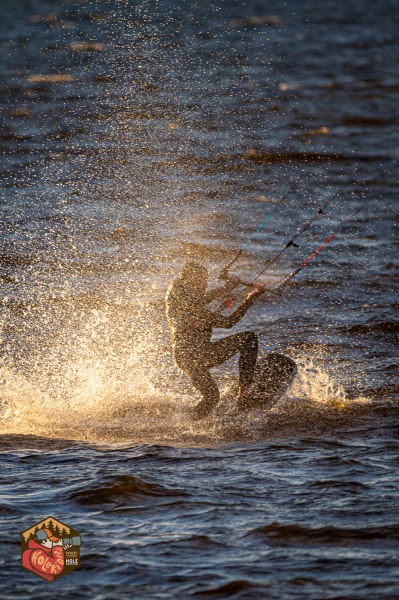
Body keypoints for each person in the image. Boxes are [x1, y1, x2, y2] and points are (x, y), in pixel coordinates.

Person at [165, 261, 265, 419]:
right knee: (212, 397)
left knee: (249, 339)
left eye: (205, 280)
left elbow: (229, 323)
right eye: (201, 279)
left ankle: (243, 393)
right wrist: (226, 288)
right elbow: (193, 302)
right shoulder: (176, 289)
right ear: (187, 278)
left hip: (205, 353)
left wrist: (250, 298)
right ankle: (187, 424)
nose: (205, 284)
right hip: (187, 356)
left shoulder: (202, 311)